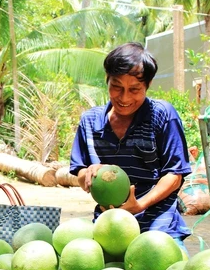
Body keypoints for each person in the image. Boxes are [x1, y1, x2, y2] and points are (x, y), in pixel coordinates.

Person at [69, 42, 192, 252]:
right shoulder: (90, 121)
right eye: (116, 87)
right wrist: (89, 174)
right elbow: (80, 174)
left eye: (134, 89)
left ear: (148, 85)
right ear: (107, 80)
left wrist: (139, 205)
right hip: (109, 228)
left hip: (159, 226)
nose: (124, 98)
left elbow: (174, 175)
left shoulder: (162, 115)